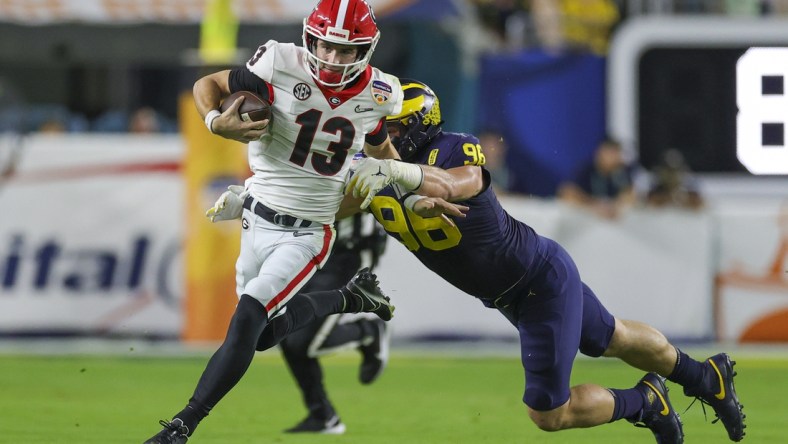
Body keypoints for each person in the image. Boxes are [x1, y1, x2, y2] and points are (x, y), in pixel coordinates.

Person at [344, 79, 746, 443]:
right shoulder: (376, 168)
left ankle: (644, 402)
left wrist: (398, 174)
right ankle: (705, 377)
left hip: (537, 281)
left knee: (549, 413)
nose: (384, 138)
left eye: (393, 128)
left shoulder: (452, 149)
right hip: (512, 292)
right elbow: (328, 207)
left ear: (420, 125)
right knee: (614, 338)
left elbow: (454, 183)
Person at [143, 1, 406, 442]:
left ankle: (181, 426)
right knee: (263, 336)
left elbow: (382, 151)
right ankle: (351, 299)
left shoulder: (381, 93)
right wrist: (214, 122)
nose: (334, 59)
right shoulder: (278, 61)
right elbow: (207, 82)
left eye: (347, 51)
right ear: (311, 37)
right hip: (254, 220)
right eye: (327, 46)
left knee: (247, 318)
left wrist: (410, 188)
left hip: (307, 233)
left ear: (368, 48)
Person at [278, 212, 390, 434]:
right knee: (282, 328)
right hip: (307, 249)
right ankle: (323, 416)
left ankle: (368, 331)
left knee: (305, 342)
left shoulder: (344, 176)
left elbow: (353, 195)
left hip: (347, 252)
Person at [557, 137, 637, 219]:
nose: (613, 158)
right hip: (589, 215)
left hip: (613, 217)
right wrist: (593, 204)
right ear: (600, 153)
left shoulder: (622, 171)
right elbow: (566, 192)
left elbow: (630, 195)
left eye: (616, 153)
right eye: (609, 153)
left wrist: (616, 205)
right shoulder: (587, 171)